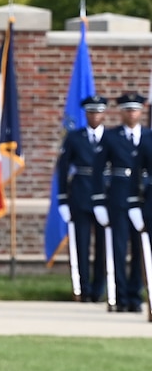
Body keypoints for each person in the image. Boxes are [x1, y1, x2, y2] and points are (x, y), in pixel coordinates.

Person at [54, 94, 110, 303]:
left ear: (104, 114)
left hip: (104, 197)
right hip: (80, 194)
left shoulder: (110, 138)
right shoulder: (75, 137)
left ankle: (100, 289)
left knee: (104, 246)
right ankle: (83, 288)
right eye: (91, 112)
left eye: (98, 112)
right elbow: (63, 168)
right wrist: (62, 199)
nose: (94, 116)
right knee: (82, 244)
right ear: (86, 114)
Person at [101, 91, 146, 313]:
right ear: (121, 112)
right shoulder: (110, 137)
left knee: (141, 248)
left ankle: (134, 294)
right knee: (118, 247)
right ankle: (119, 294)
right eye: (127, 109)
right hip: (118, 196)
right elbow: (99, 169)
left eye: (135, 109)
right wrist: (99, 200)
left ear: (141, 111)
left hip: (142, 198)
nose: (131, 113)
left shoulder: (148, 136)